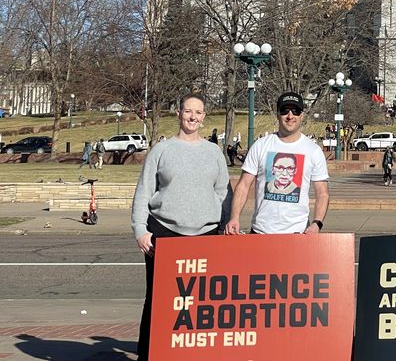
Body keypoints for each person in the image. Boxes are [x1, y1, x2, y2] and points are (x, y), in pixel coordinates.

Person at [131, 92, 229, 361]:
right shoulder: (162, 150)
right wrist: (141, 229)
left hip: (205, 235)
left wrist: (212, 216)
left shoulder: (214, 152)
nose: (193, 117)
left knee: (200, 302)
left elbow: (222, 192)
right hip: (164, 232)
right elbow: (144, 191)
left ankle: (193, 353)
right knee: (159, 300)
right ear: (178, 113)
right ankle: (149, 354)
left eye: (198, 112)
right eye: (188, 111)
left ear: (204, 116)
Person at [225, 91, 329, 235]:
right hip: (261, 232)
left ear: (302, 115)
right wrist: (234, 217)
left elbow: (322, 193)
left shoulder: (313, 151)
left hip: (298, 233)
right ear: (277, 114)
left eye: (296, 111)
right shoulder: (261, 145)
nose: (290, 116)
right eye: (285, 110)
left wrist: (317, 223)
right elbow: (243, 185)